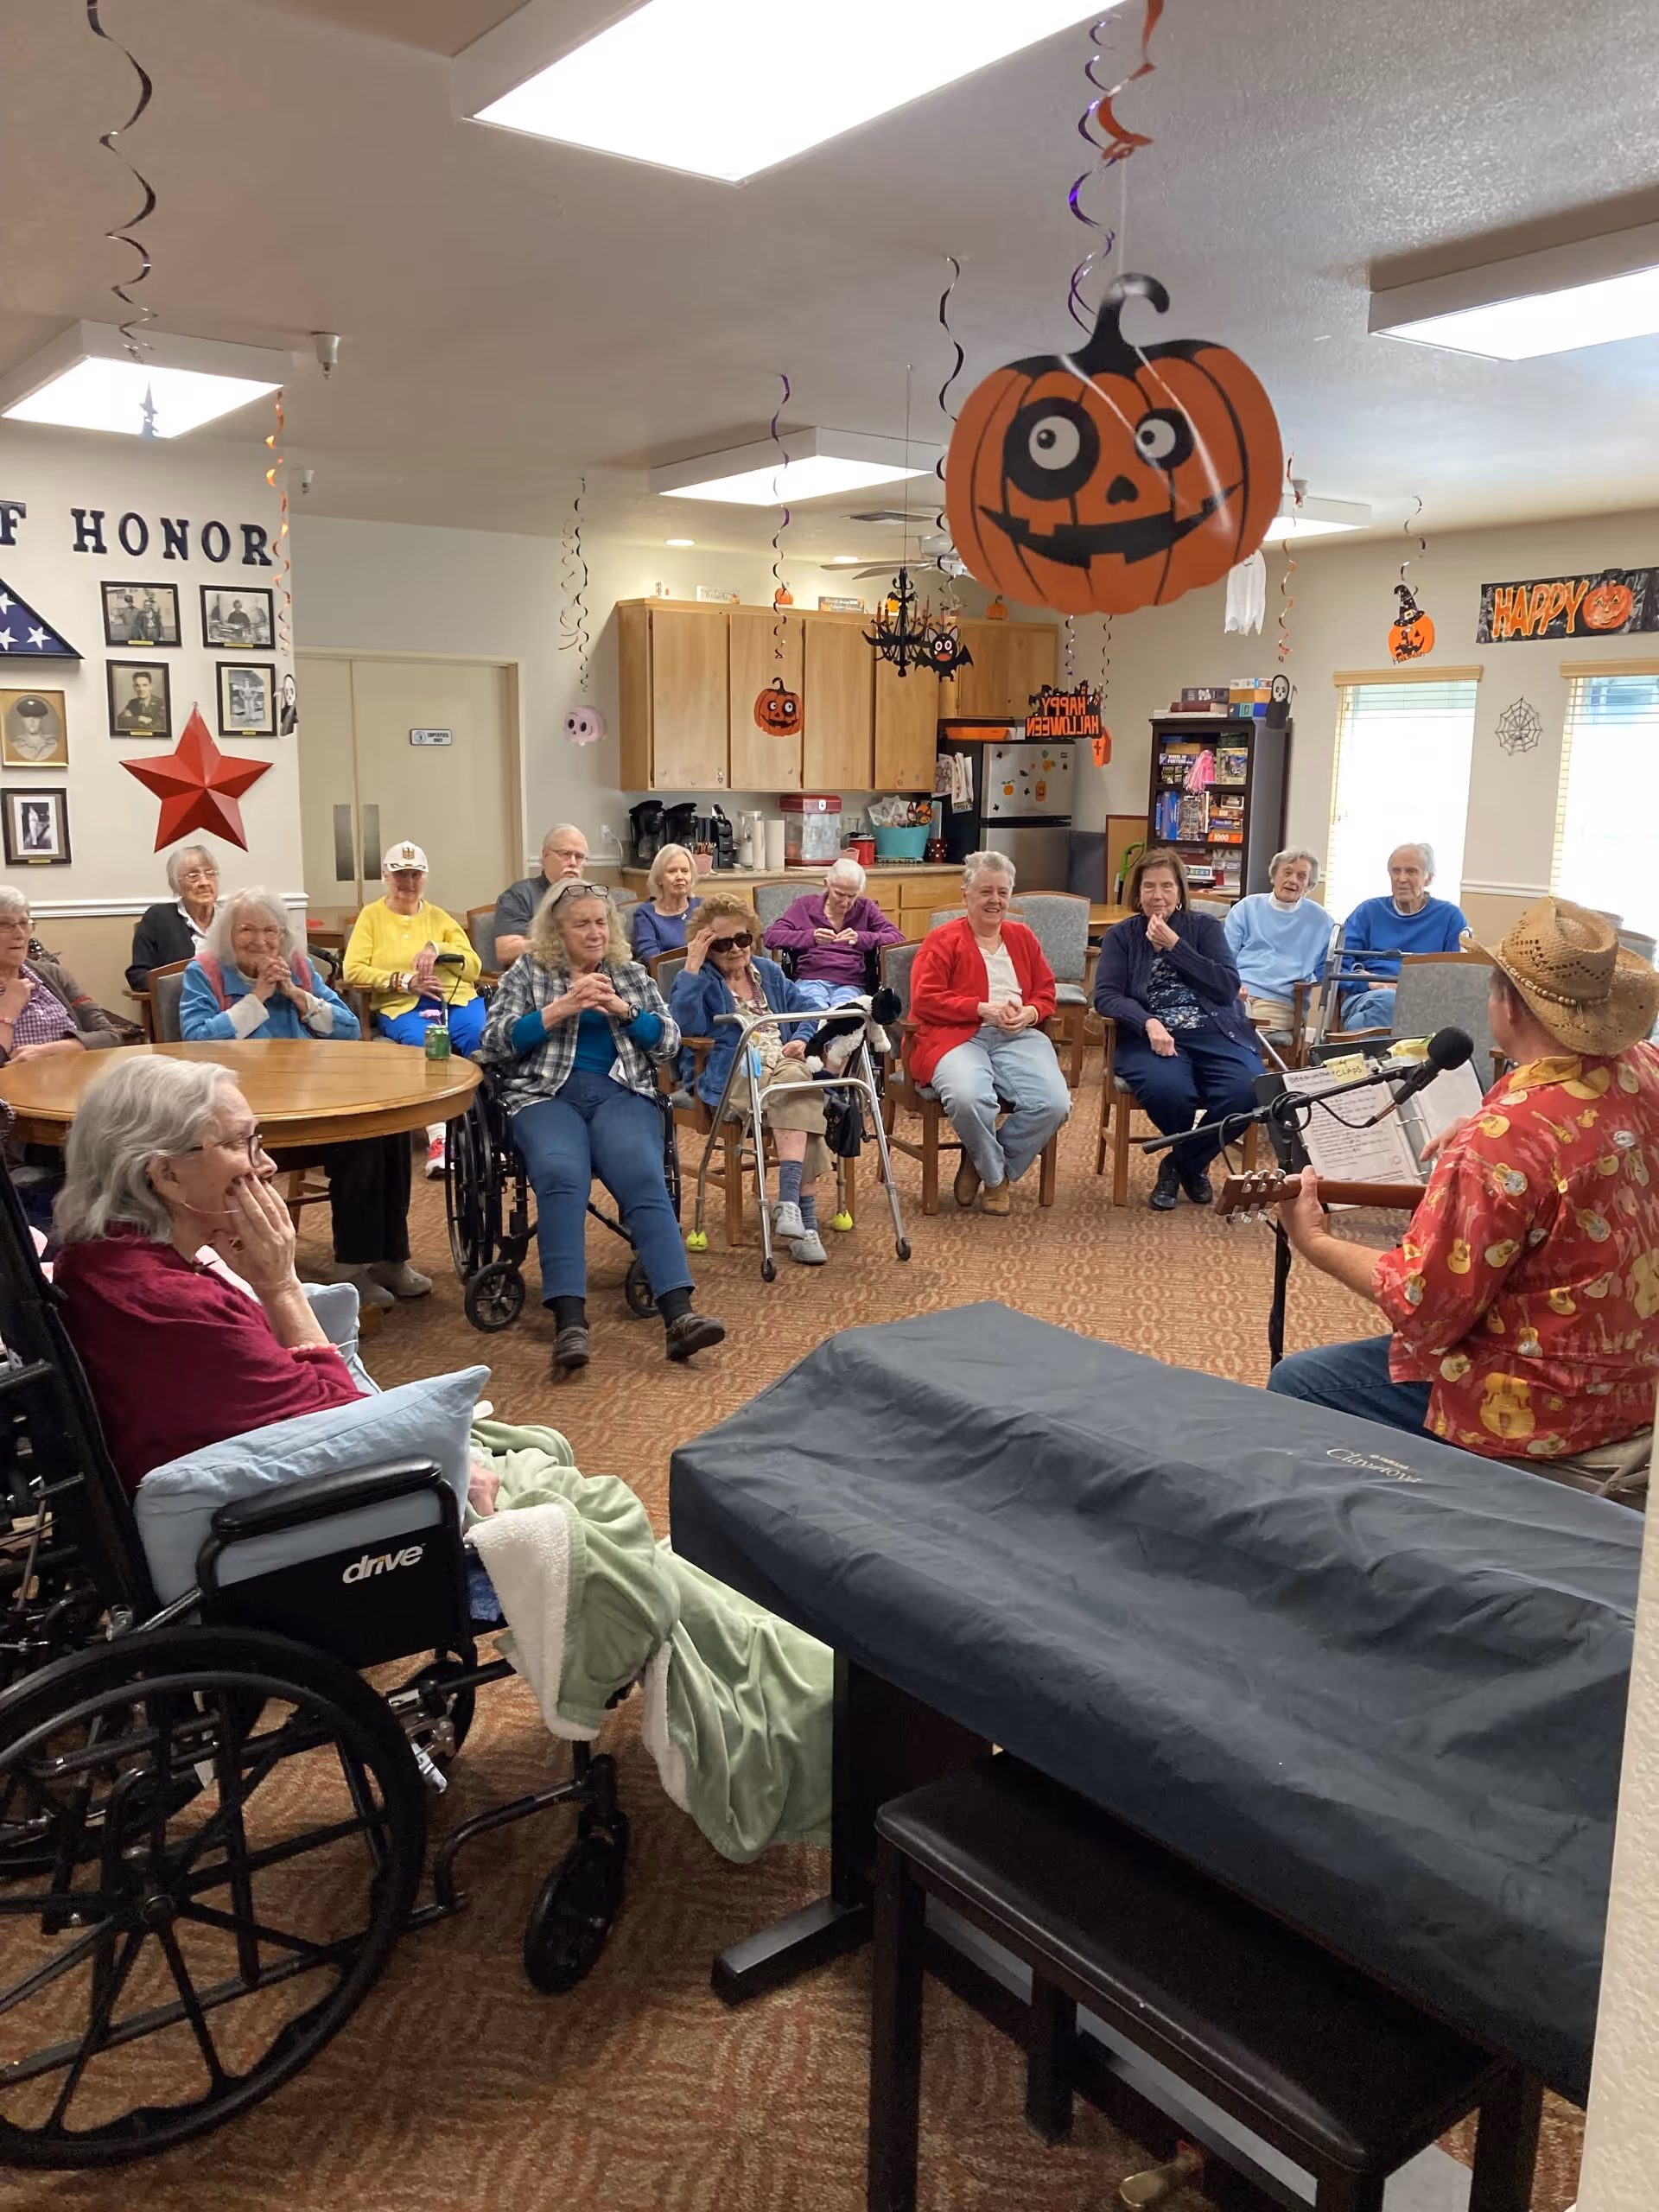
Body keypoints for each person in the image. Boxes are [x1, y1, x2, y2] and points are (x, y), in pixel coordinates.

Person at [1268, 897, 1659, 1465]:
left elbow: (1421, 1304)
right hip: (1637, 1370)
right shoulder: (1643, 1067)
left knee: (1298, 1382)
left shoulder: (1504, 1140)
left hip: (1543, 1402)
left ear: (1509, 1008)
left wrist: (1316, 1243)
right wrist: (1492, 1125)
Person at [53, 1058, 367, 1496]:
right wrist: (281, 1287)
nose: (268, 1164)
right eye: (240, 1144)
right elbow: (352, 1429)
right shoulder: (164, 1302)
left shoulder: (103, 1257)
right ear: (167, 1176)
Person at [479, 879, 725, 1370]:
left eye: (600, 923)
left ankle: (680, 1316)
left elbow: (668, 1043)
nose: (594, 933)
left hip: (620, 1094)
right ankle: (570, 1322)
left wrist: (624, 1011)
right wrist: (559, 1008)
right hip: (544, 1096)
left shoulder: (628, 973)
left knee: (642, 1172)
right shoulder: (529, 972)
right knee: (560, 1175)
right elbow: (495, 1041)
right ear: (557, 931)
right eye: (581, 924)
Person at [181, 889, 425, 1311]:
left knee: (385, 1130)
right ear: (228, 935)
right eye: (248, 931)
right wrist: (256, 998)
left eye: (271, 932)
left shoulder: (298, 968)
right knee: (362, 1141)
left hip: (306, 1105)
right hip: (244, 1121)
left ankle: (388, 1259)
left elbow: (349, 1030)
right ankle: (353, 1270)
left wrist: (298, 996)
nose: (261, 942)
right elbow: (195, 1044)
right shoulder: (205, 973)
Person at [669, 891, 839, 1263]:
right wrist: (692, 968)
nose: (735, 950)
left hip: (782, 1063)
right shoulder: (701, 979)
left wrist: (801, 1037)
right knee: (801, 1097)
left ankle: (789, 1206)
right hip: (731, 1070)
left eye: (742, 939)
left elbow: (809, 1008)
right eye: (723, 943)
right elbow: (685, 1027)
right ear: (707, 946)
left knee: (798, 1084)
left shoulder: (769, 972)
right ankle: (802, 1218)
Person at [1094, 847, 1265, 1212]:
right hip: (1151, 1037)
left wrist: (1175, 947)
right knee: (1169, 1091)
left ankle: (1179, 1164)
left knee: (1249, 1091)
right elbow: (1106, 995)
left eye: (1167, 887)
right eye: (1149, 887)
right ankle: (1193, 1165)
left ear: (1180, 891)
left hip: (1215, 1031)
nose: (1158, 896)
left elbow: (1225, 985)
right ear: (1137, 893)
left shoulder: (1204, 928)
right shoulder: (1121, 936)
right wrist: (1148, 1021)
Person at [908, 851, 1071, 1217]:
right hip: (955, 1036)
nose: (994, 901)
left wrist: (1030, 1012)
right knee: (968, 1099)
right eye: (985, 891)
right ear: (965, 894)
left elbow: (1046, 991)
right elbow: (925, 999)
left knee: (1054, 1104)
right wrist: (980, 1008)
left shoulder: (1023, 937)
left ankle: (982, 1162)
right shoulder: (942, 940)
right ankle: (996, 1178)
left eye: (1002, 892)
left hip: (1018, 1036)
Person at [343, 841, 485, 1179]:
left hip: (456, 998)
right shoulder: (372, 917)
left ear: (425, 877)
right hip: (403, 1005)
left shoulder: (439, 917)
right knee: (429, 1046)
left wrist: (438, 947)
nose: (408, 882)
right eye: (400, 875)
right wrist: (403, 982)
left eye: (415, 875)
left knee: (485, 1040)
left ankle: (487, 1132)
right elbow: (353, 970)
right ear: (385, 876)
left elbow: (475, 967)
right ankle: (440, 1140)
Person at [1338, 842, 1469, 1032]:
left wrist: (1408, 988)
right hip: (1370, 995)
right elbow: (1337, 964)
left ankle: (1364, 1056)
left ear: (1428, 878)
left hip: (1424, 999)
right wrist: (1368, 982)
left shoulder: (1450, 917)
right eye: (1396, 871)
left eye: (1411, 872)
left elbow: (1455, 976)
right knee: (1386, 1002)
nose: (1402, 879)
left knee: (1366, 1021)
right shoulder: (1368, 911)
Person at [762, 856, 905, 1010]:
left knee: (844, 1018)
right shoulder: (805, 905)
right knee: (815, 1014)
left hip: (851, 983)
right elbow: (771, 937)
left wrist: (861, 938)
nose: (845, 902)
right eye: (840, 894)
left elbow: (898, 938)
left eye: (852, 896)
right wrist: (811, 937)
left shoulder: (866, 908)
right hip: (811, 979)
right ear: (827, 884)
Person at [0, 886, 121, 1066]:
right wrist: (7, 1013)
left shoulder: (53, 975)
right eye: (5, 925)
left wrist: (49, 1051)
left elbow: (110, 1036)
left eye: (25, 923)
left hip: (73, 1081)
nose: (20, 934)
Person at [1224, 848, 1335, 1029]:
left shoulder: (1322, 921)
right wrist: (1232, 988)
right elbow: (1225, 957)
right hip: (1238, 992)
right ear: (1275, 875)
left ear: (1309, 885)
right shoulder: (1246, 908)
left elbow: (1327, 969)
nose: (1292, 880)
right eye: (1287, 872)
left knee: (1238, 1029)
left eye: (1301, 876)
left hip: (1281, 1001)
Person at [127, 843, 220, 992]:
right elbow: (138, 976)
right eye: (193, 876)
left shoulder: (232, 920)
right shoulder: (158, 918)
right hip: (183, 1008)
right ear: (175, 884)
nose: (204, 882)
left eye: (210, 874)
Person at [493, 824, 588, 968]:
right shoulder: (520, 895)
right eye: (565, 854)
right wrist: (564, 941)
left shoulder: (593, 898)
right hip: (542, 978)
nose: (573, 863)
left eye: (579, 857)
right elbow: (506, 951)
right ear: (545, 856)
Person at [630, 842, 702, 963]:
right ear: (659, 879)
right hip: (667, 979)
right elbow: (652, 959)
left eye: (685, 871)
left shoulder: (704, 908)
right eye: (672, 871)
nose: (680, 876)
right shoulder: (645, 914)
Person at [6, 695, 62, 764]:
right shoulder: (16, 747)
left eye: (36, 717)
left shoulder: (53, 745)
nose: (31, 721)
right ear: (22, 720)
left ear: (41, 720)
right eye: (27, 717)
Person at [114, 670, 164, 734]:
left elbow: (155, 728)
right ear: (134, 687)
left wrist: (131, 721)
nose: (141, 689)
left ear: (151, 687)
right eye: (137, 685)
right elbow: (118, 722)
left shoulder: (161, 704)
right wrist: (139, 719)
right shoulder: (132, 703)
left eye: (145, 685)